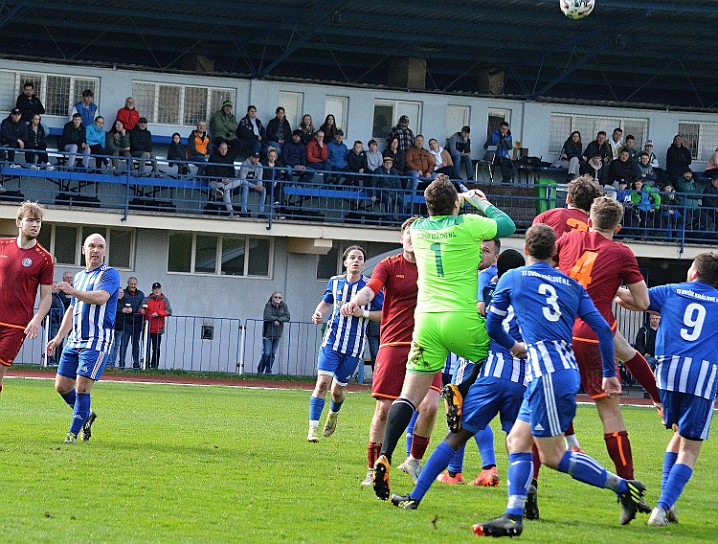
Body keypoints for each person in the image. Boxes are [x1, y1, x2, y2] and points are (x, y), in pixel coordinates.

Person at [471, 224, 649, 538]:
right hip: (561, 371)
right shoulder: (571, 284)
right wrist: (609, 372)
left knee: (552, 456)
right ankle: (513, 515)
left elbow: (492, 325)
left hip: (546, 373)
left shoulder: (513, 277)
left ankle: (624, 487)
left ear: (526, 249)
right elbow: (602, 327)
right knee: (516, 441)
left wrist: (513, 346)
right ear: (555, 252)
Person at [372, 175, 516, 500]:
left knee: (408, 397)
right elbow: (506, 225)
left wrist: (455, 202)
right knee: (495, 355)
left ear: (427, 206)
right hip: (460, 317)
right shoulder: (466, 223)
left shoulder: (419, 229)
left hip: (424, 322)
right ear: (456, 204)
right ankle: (460, 394)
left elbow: (438, 213)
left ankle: (385, 456)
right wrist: (478, 200)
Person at [390, 248, 527, 509]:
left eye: (485, 251)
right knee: (519, 443)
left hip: (486, 368)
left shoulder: (488, 284)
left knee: (457, 425)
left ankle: (422, 493)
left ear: (496, 261)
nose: (479, 255)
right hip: (523, 378)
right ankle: (523, 498)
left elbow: (489, 323)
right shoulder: (531, 293)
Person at [554, 197, 655, 483]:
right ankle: (629, 484)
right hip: (592, 334)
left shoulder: (567, 239)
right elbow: (643, 301)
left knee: (546, 406)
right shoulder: (621, 252)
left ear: (589, 220)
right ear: (618, 227)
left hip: (557, 331)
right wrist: (619, 294)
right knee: (610, 413)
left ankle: (531, 487)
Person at [616, 252, 718, 527]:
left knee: (677, 436)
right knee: (690, 449)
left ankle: (668, 503)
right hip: (701, 375)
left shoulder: (672, 291)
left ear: (694, 273)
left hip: (668, 374)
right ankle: (661, 509)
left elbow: (634, 299)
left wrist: (607, 287)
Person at [342, 218, 442, 485]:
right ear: (401, 238)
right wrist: (356, 301)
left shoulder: (434, 266)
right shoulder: (389, 266)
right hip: (393, 345)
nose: (413, 237)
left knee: (431, 406)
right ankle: (373, 469)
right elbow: (370, 288)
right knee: (384, 409)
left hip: (427, 345)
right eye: (409, 233)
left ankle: (413, 460)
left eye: (418, 233)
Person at [47, 233, 120, 443]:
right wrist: (59, 337)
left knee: (82, 387)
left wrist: (73, 291)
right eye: (92, 246)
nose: (96, 250)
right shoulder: (79, 277)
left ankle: (72, 433)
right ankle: (85, 415)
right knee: (61, 386)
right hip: (75, 340)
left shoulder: (109, 274)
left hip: (97, 340)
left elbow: (101, 297)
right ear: (83, 250)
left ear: (104, 251)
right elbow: (72, 311)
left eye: (100, 247)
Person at [307, 246, 383, 443]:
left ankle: (333, 413)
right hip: (331, 342)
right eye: (352, 258)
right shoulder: (335, 282)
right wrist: (318, 314)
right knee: (322, 383)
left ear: (364, 264)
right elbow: (326, 302)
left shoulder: (370, 288)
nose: (356, 261)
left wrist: (363, 313)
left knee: (337, 391)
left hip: (354, 347)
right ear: (345, 262)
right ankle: (312, 429)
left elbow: (384, 314)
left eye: (360, 258)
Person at [0, 202, 54, 393]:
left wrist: (37, 318)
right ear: (18, 222)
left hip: (16, 325)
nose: (35, 224)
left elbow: (47, 296)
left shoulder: (44, 258)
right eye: (30, 220)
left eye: (38, 221)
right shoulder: (2, 246)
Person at [533, 174, 602, 236]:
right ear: (593, 205)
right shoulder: (593, 227)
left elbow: (533, 241)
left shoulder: (548, 215)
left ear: (568, 198)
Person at [257, 292, 290, 374]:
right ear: (272, 298)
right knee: (266, 353)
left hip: (278, 334)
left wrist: (278, 320)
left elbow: (287, 317)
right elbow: (267, 316)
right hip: (267, 333)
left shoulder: (284, 306)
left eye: (279, 297)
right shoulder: (268, 305)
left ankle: (268, 371)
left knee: (272, 354)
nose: (278, 299)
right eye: (276, 297)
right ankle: (260, 370)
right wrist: (275, 320)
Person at [141, 282, 172, 369]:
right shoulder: (146, 299)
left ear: (161, 290)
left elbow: (169, 311)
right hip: (147, 327)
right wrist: (141, 311)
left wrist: (158, 313)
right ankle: (145, 365)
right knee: (146, 348)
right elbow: (141, 309)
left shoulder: (165, 300)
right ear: (152, 290)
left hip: (158, 328)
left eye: (158, 289)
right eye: (155, 289)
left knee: (156, 348)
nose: (156, 290)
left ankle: (155, 366)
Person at [118, 277, 144, 369]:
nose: (133, 286)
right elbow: (120, 304)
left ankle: (136, 364)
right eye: (131, 284)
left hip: (137, 323)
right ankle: (121, 364)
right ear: (128, 284)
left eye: (134, 284)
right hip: (126, 322)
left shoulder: (141, 294)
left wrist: (134, 310)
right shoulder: (123, 293)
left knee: (135, 344)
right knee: (124, 343)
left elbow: (142, 306)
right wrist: (123, 309)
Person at [369, 156, 403, 222]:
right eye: (386, 163)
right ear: (383, 163)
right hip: (382, 192)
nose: (388, 164)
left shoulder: (394, 171)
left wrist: (401, 194)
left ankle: (402, 220)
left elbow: (398, 184)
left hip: (393, 192)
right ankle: (389, 220)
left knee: (403, 202)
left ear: (392, 164)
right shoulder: (378, 171)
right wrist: (373, 194)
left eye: (390, 163)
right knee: (389, 200)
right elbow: (373, 183)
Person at [237, 152, 266, 217]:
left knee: (263, 190)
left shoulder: (260, 166)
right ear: (251, 157)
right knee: (245, 187)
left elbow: (259, 179)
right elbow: (242, 180)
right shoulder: (244, 164)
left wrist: (259, 185)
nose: (256, 159)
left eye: (257, 158)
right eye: (254, 158)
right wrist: (254, 186)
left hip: (253, 183)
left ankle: (261, 212)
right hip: (241, 183)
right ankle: (243, 211)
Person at [109, 287, 125, 367]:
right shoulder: (112, 301)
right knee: (111, 345)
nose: (120, 294)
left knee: (116, 346)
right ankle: (109, 363)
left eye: (121, 292)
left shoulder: (124, 302)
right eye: (118, 292)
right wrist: (122, 310)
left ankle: (113, 363)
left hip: (120, 327)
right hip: (112, 327)